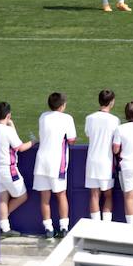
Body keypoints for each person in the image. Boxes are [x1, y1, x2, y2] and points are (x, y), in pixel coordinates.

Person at [34, 91, 77, 239]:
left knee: (44, 198)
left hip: (41, 162)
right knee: (61, 195)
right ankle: (64, 228)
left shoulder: (43, 117)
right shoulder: (67, 118)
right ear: (62, 106)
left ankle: (49, 230)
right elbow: (72, 140)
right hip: (56, 162)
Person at [0, 101, 33, 238]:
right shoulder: (8, 131)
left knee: (3, 198)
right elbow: (20, 147)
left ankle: (4, 227)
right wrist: (34, 142)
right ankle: (2, 220)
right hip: (8, 170)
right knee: (22, 196)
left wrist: (12, 126)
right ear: (8, 115)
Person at [83, 89, 119, 223]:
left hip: (92, 161)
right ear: (111, 102)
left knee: (94, 195)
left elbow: (88, 134)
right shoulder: (115, 120)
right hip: (106, 162)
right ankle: (106, 226)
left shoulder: (90, 118)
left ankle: (95, 226)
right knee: (108, 195)